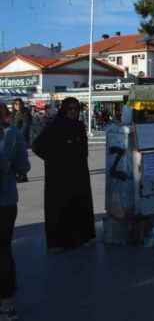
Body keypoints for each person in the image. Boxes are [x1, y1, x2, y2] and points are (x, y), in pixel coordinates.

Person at [32, 97, 96, 252]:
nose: (73, 112)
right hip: (59, 176)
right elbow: (37, 146)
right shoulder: (55, 126)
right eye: (70, 109)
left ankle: (82, 238)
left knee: (79, 205)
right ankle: (59, 242)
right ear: (64, 110)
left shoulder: (79, 126)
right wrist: (54, 160)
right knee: (60, 208)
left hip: (78, 173)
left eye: (76, 109)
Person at [0, 103, 31, 321]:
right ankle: (7, 304)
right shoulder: (13, 136)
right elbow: (24, 167)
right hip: (6, 201)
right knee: (3, 250)